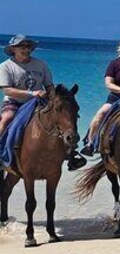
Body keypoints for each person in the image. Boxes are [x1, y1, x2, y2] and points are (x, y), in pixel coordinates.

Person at [0, 34, 86, 170]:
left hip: (40, 102)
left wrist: (55, 97)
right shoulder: (6, 66)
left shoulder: (41, 65)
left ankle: (71, 154)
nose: (26, 49)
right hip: (15, 103)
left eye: (28, 46)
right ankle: (1, 153)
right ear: (13, 49)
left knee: (63, 117)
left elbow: (49, 86)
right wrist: (31, 93)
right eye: (21, 46)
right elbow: (7, 90)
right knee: (6, 119)